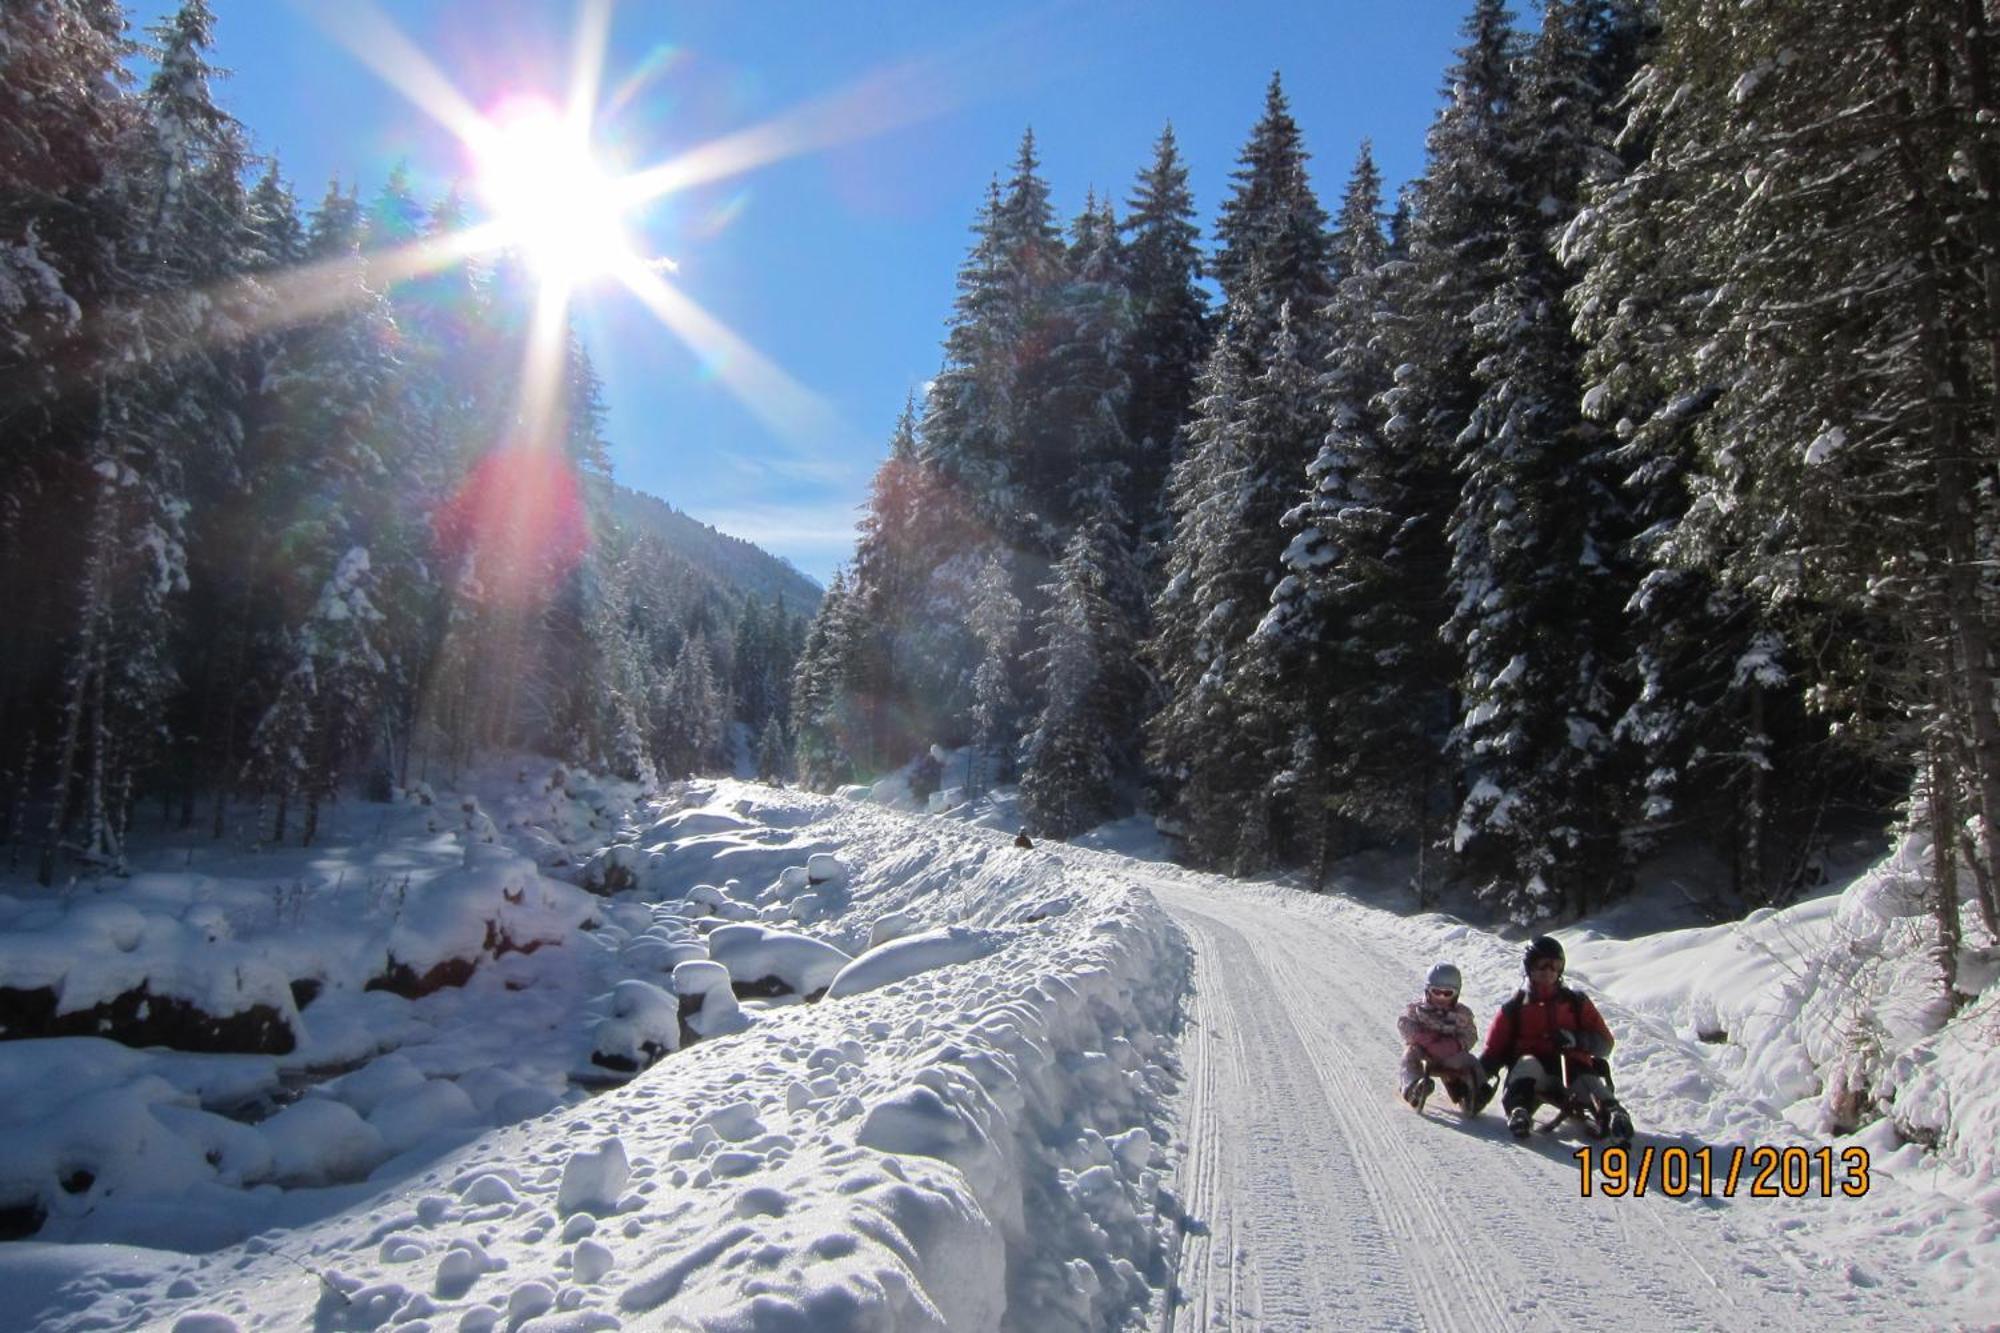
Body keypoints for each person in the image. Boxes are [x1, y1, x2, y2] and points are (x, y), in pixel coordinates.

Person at [1478, 935, 1633, 1143]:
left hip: (1571, 1069)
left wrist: (1576, 1040)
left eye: (1555, 965)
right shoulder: (1514, 1008)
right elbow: (1493, 1051)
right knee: (1526, 1063)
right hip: (1534, 1078)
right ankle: (1519, 1112)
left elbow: (1605, 1044)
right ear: (1530, 967)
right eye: (1542, 965)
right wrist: (1474, 1082)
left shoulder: (1577, 1003)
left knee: (1588, 1078)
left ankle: (1614, 1113)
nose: (1549, 971)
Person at [1396, 962, 1488, 1113]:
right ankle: (1413, 1087)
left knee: (1470, 1060)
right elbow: (1404, 1024)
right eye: (1436, 991)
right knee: (1409, 1055)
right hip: (1424, 1051)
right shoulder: (1418, 1009)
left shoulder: (1461, 1014)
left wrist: (1456, 1044)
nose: (1441, 997)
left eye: (1447, 993)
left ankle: (1478, 1091)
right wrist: (1423, 1038)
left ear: (1456, 994)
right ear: (1427, 990)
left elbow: (1470, 1034)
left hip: (1449, 1055)